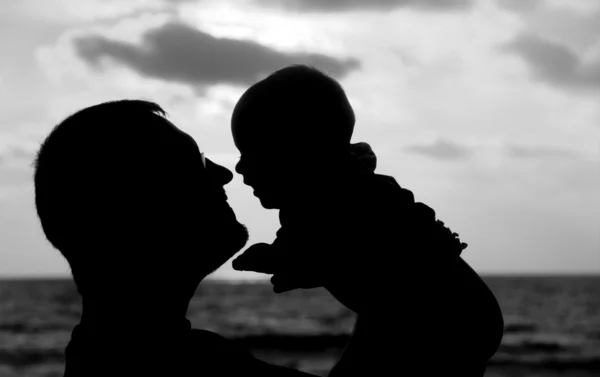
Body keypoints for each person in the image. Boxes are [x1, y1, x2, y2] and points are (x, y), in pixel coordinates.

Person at [231, 65, 505, 376]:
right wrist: (285, 259)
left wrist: (282, 260)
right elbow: (315, 248)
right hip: (412, 317)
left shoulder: (350, 195)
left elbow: (359, 249)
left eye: (253, 153)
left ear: (303, 151)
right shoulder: (312, 201)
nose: (239, 168)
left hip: (449, 316)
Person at [33, 100, 316, 377]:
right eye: (195, 163)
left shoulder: (106, 357)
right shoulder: (191, 366)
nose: (225, 173)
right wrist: (358, 286)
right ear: (133, 206)